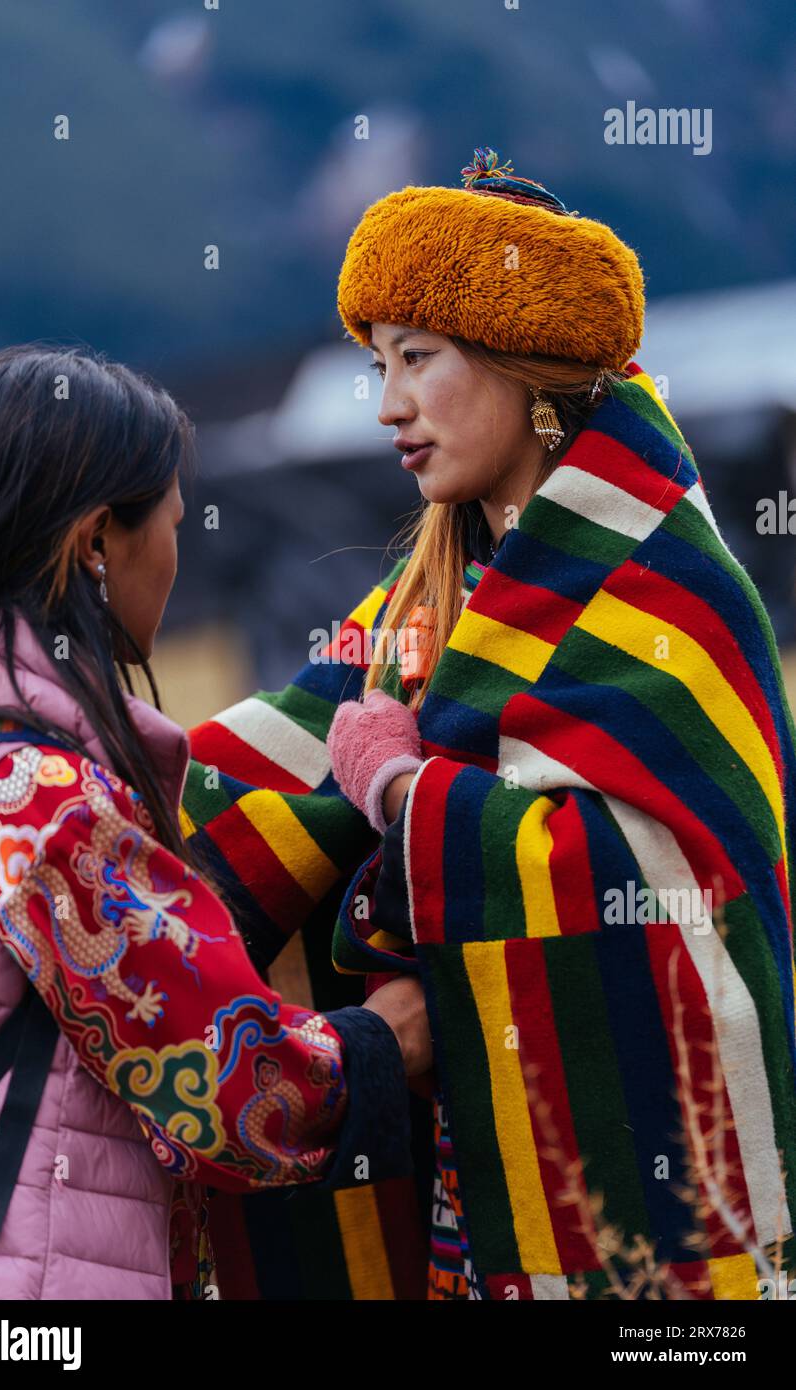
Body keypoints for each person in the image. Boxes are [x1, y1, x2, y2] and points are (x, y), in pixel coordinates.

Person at [184, 147, 796, 1300]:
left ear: (526, 365)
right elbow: (276, 749)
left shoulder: (670, 589)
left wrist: (401, 796)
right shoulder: (437, 592)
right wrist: (76, 763)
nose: (385, 405)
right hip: (474, 1185)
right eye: (375, 364)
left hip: (640, 1231)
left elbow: (647, 882)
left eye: (416, 359)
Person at [0, 344, 431, 1301]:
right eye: (166, 520)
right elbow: (222, 1082)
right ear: (94, 542)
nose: (175, 549)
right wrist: (385, 1039)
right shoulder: (35, 796)